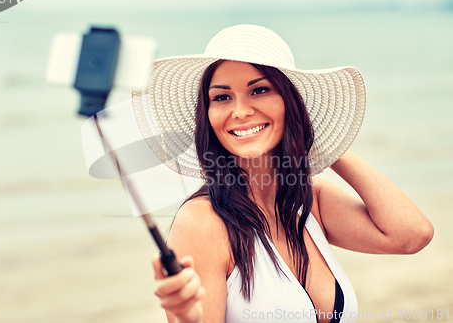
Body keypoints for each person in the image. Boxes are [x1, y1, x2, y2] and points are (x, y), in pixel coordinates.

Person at [132, 25, 434, 323]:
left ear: (290, 104)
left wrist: (324, 142)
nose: (240, 111)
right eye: (222, 97)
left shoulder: (310, 200)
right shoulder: (203, 223)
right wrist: (187, 317)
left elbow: (410, 236)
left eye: (259, 90)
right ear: (207, 115)